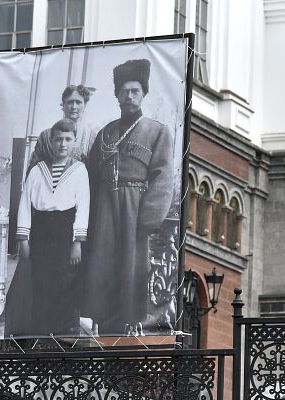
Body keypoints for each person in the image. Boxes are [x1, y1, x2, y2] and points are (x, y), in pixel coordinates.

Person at [83, 59, 174, 336]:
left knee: (132, 267)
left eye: (135, 90)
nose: (129, 96)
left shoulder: (158, 131)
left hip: (136, 208)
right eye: (124, 91)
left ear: (144, 93)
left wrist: (149, 218)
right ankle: (101, 322)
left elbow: (163, 175)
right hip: (104, 207)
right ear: (117, 96)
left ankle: (128, 325)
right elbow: (90, 174)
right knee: (101, 264)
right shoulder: (106, 132)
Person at [8, 119, 90, 337]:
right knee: (40, 281)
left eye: (68, 139)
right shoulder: (37, 171)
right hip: (41, 232)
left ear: (74, 142)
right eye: (59, 139)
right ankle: (40, 331)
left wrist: (77, 243)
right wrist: (23, 238)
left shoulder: (80, 171)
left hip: (65, 232)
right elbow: (25, 204)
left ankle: (61, 332)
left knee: (64, 282)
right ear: (51, 141)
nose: (63, 144)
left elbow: (83, 207)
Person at [27, 85, 99, 173]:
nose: (74, 107)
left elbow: (95, 173)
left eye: (78, 102)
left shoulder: (91, 137)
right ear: (63, 105)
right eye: (70, 102)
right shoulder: (45, 137)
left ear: (85, 106)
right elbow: (33, 171)